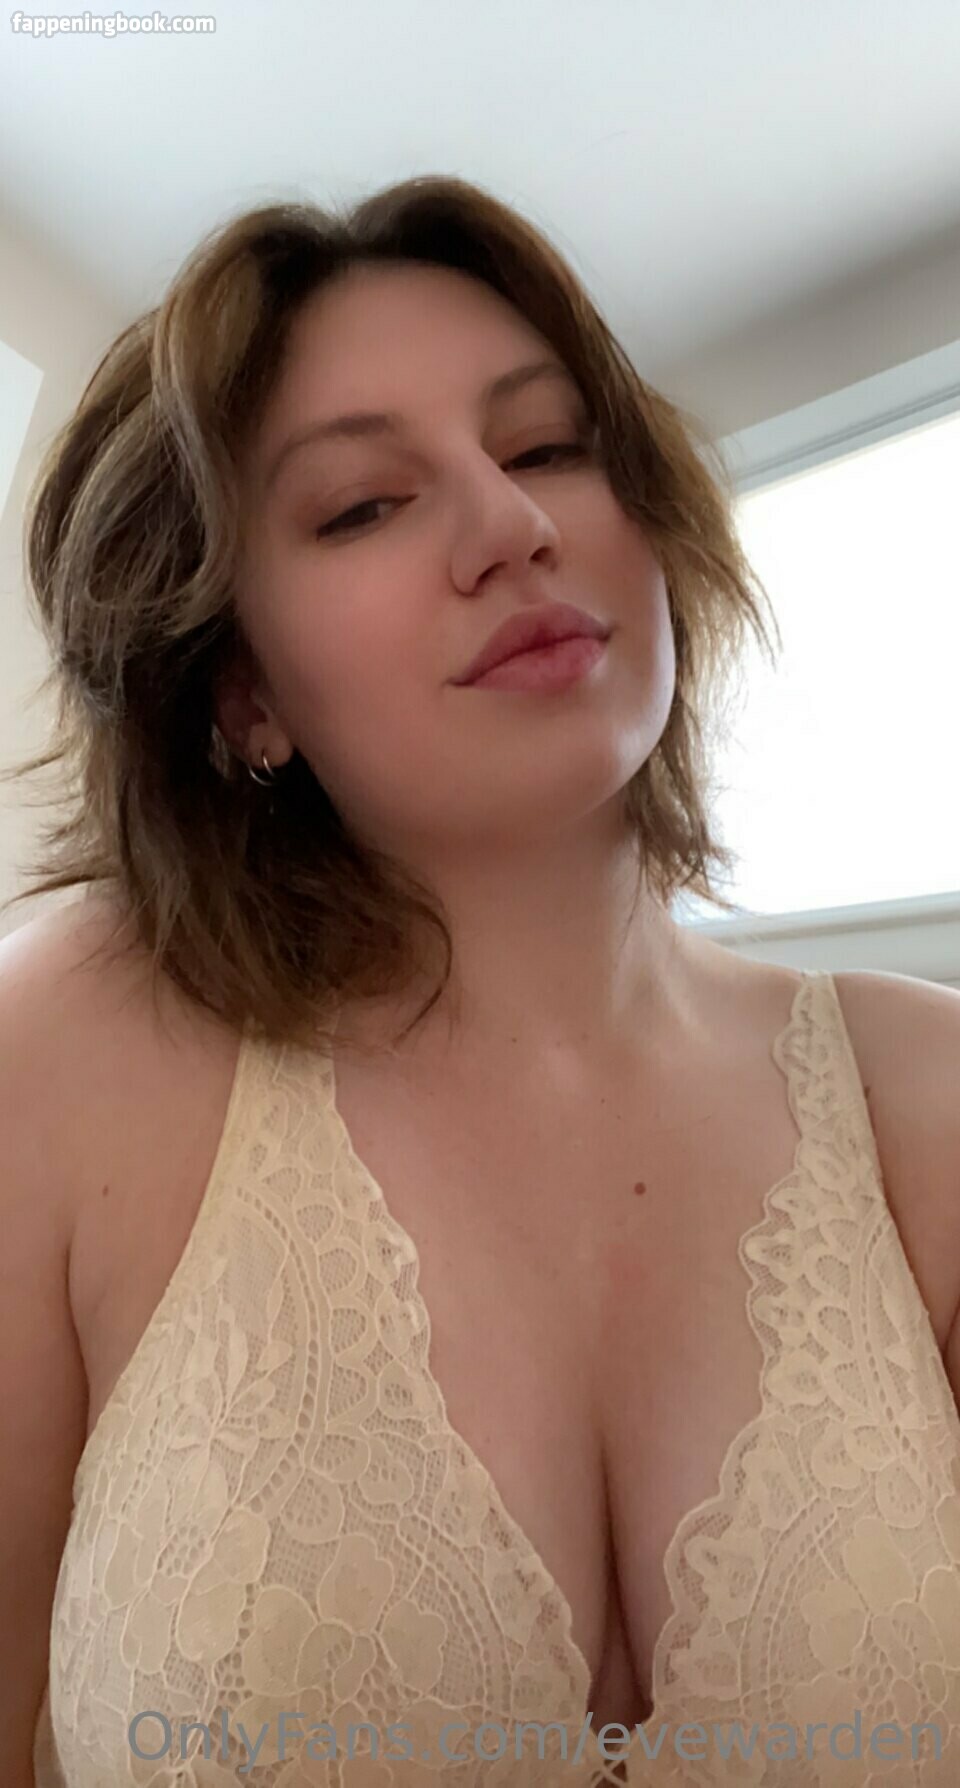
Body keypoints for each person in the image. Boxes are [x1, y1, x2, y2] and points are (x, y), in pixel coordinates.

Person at [1, 176, 959, 1788]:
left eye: (549, 448)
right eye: (363, 505)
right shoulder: (72, 1051)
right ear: (243, 693)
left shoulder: (924, 1098)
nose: (513, 525)